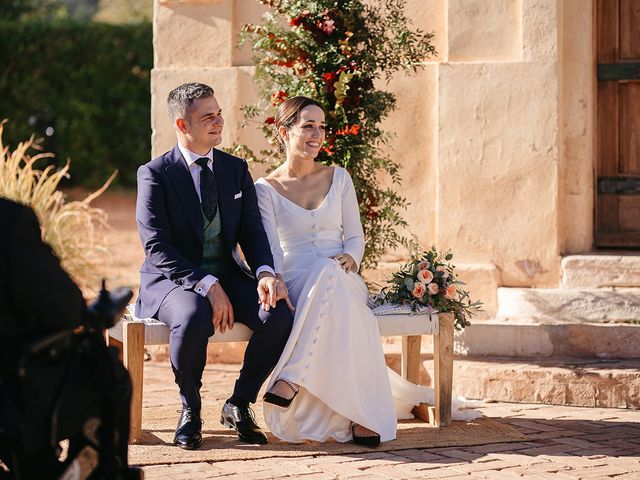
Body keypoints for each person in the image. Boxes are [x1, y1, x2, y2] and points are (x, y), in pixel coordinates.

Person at [135, 82, 294, 449]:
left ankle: (238, 403)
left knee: (279, 315)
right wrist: (206, 284)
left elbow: (253, 233)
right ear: (182, 125)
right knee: (192, 316)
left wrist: (266, 273)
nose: (218, 121)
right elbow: (156, 246)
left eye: (219, 113)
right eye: (208, 116)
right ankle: (190, 407)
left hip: (227, 272)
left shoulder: (235, 169)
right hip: (172, 280)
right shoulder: (155, 173)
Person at [254, 96, 400, 446]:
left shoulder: (340, 177)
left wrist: (351, 256)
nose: (317, 134)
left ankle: (292, 377)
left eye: (321, 127)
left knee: (332, 274)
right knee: (331, 284)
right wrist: (274, 280)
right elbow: (272, 252)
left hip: (344, 277)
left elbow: (354, 237)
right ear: (284, 130)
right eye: (308, 126)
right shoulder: (266, 189)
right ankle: (359, 415)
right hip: (299, 281)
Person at [0, 197, 135, 479]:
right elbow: (63, 308)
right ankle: (95, 470)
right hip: (16, 393)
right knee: (106, 372)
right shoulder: (8, 221)